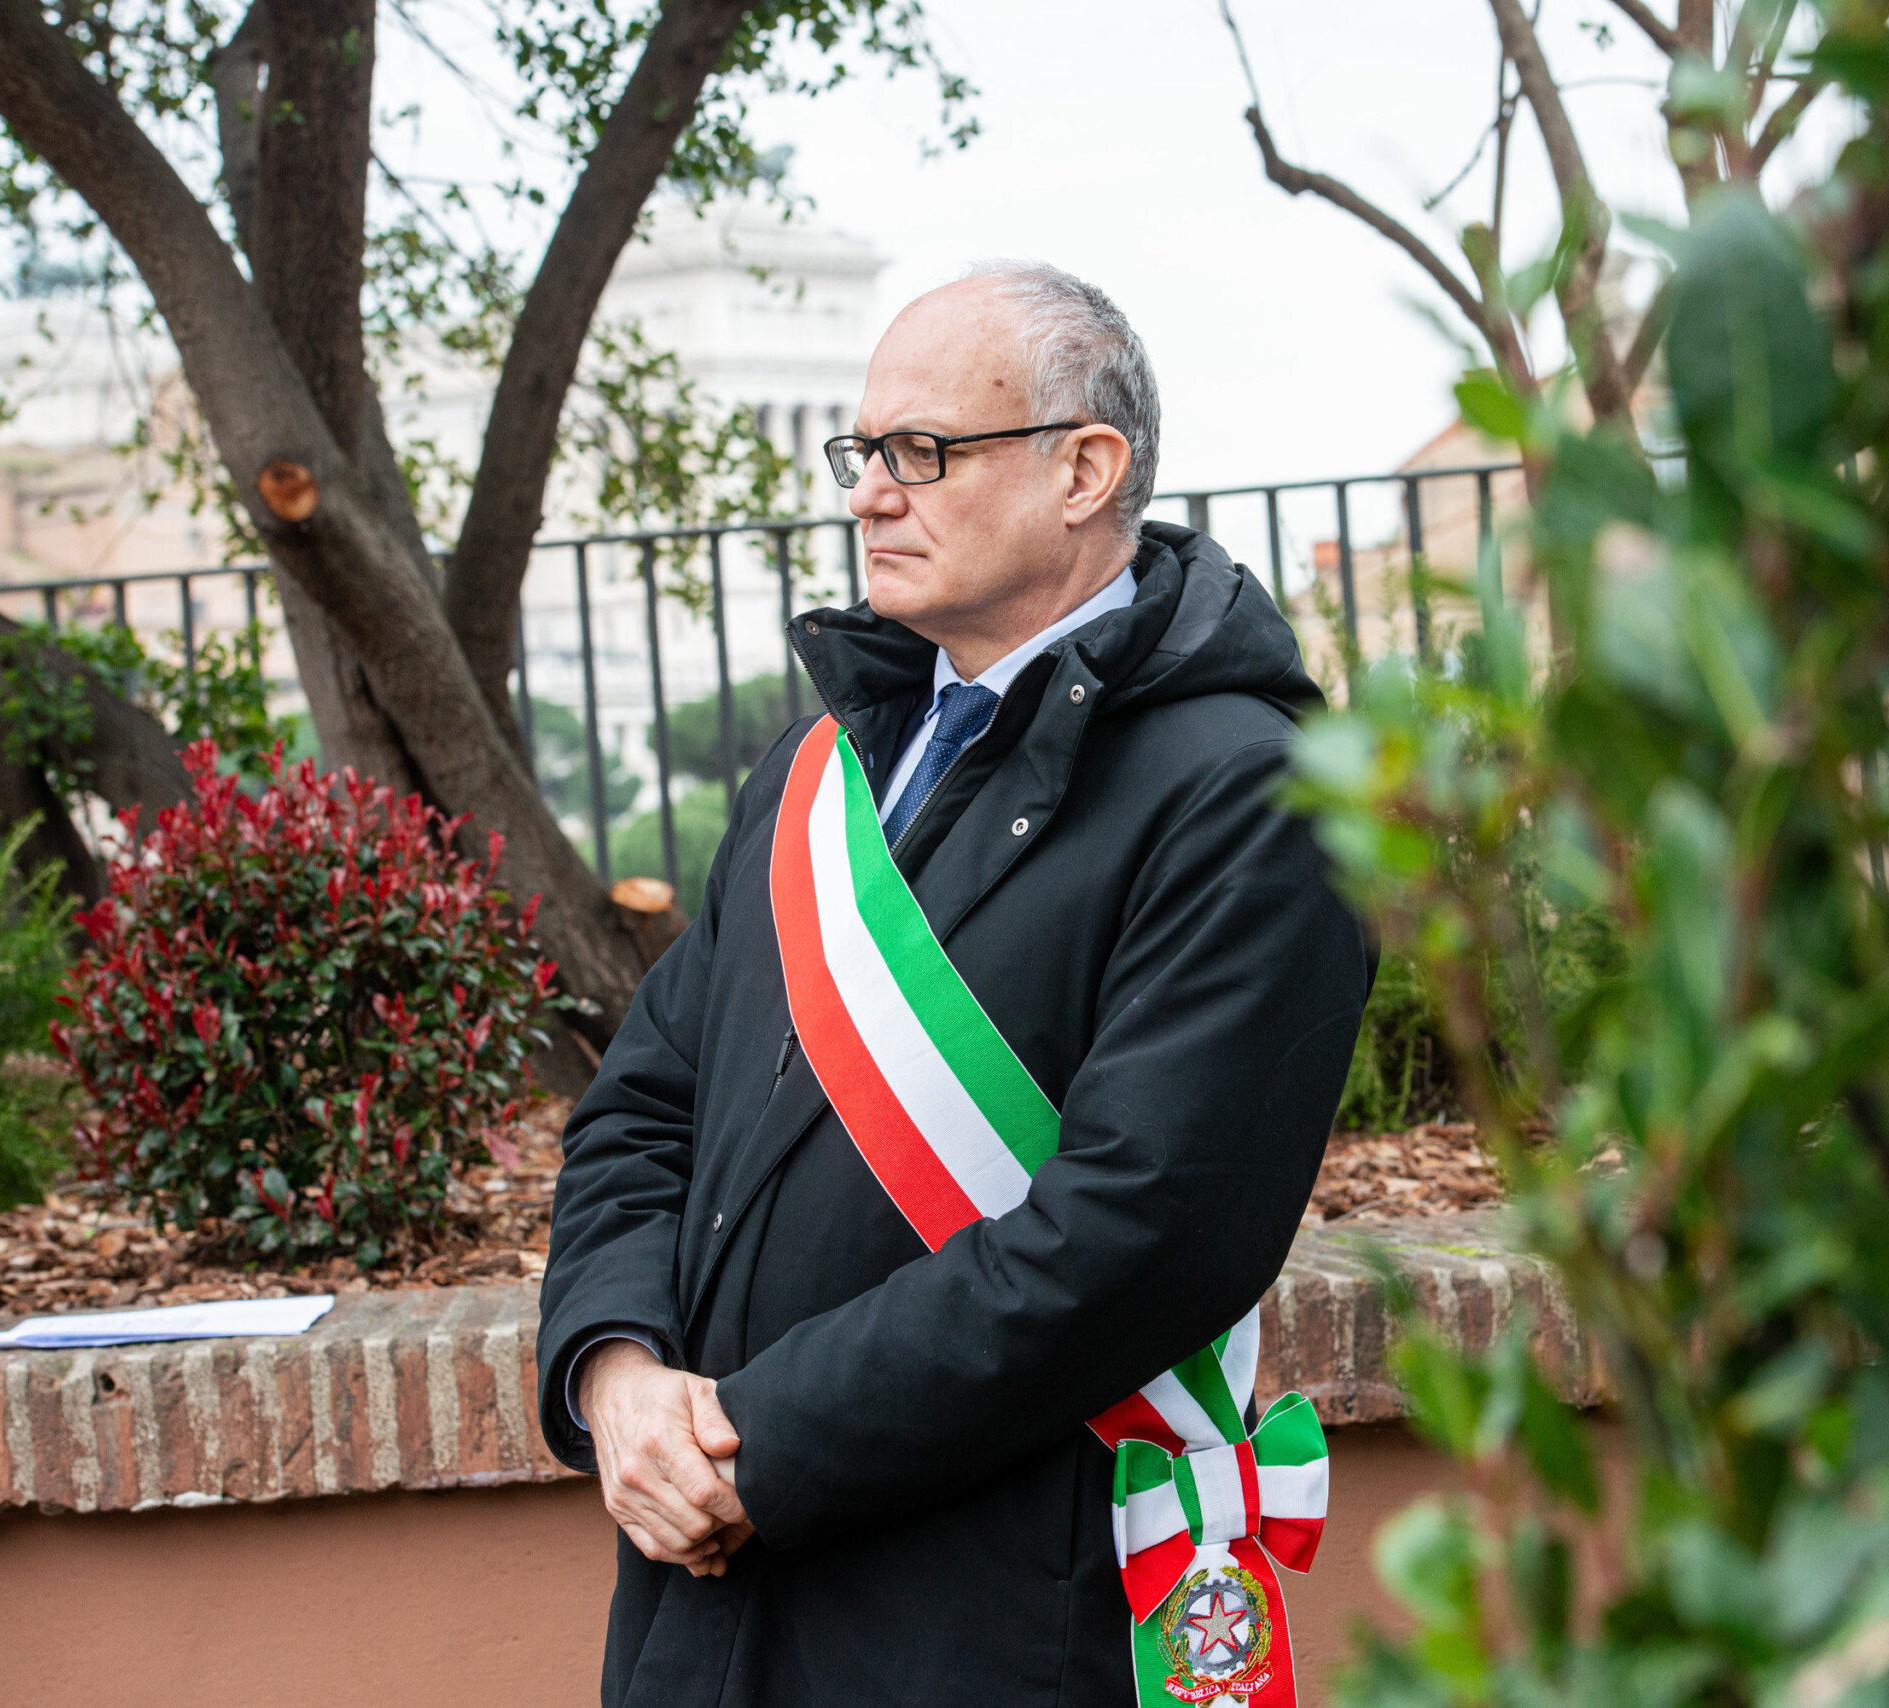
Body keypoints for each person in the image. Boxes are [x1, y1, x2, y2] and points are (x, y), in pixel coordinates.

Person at [537, 260, 1370, 1705]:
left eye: (923, 453)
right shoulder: (815, 776)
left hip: (987, 1622)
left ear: (1084, 470)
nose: (868, 493)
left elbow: (1137, 1235)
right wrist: (616, 1376)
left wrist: (753, 1446)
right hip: (708, 1605)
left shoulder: (1250, 794)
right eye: (863, 454)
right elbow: (637, 1117)